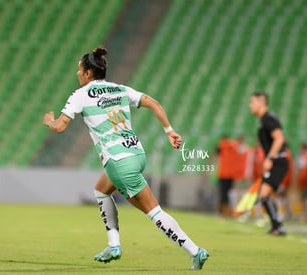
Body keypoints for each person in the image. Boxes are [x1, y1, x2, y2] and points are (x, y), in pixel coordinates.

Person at [43, 47, 209, 269]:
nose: (78, 74)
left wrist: (50, 122)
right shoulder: (119, 89)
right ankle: (113, 245)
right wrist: (169, 130)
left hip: (119, 162)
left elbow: (60, 127)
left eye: (79, 70)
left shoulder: (80, 95)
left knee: (153, 212)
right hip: (136, 154)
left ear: (88, 73)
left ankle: (195, 251)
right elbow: (153, 103)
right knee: (101, 190)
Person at [249, 91, 289, 235]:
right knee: (269, 196)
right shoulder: (263, 121)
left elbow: (279, 138)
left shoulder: (269, 119)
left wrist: (270, 158)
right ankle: (277, 227)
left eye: (252, 102)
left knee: (264, 195)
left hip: (278, 161)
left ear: (261, 102)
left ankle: (278, 226)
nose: (250, 106)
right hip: (276, 161)